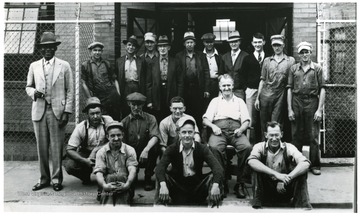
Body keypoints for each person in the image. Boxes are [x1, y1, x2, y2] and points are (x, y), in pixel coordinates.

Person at [26, 32, 74, 192]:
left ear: (55, 48)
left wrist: (67, 111)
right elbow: (28, 86)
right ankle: (44, 178)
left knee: (56, 147)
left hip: (57, 112)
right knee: (42, 147)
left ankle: (56, 180)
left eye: (51, 47)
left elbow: (70, 90)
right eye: (45, 47)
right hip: (39, 110)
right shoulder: (34, 66)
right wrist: (34, 93)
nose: (48, 50)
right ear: (41, 49)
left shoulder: (64, 65)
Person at [203, 74, 252, 198]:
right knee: (214, 147)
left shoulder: (240, 101)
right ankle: (221, 181)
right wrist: (214, 127)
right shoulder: (215, 101)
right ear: (220, 87)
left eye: (228, 85)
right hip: (219, 130)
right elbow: (205, 119)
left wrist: (241, 129)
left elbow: (246, 120)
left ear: (233, 86)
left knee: (246, 147)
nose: (226, 88)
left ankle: (240, 183)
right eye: (224, 85)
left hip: (237, 131)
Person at [155, 117, 223, 206]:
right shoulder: (171, 149)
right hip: (178, 190)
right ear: (179, 134)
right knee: (161, 178)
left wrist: (215, 185)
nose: (187, 135)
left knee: (215, 178)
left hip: (198, 188)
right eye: (184, 132)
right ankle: (159, 208)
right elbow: (159, 168)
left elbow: (218, 168)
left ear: (194, 133)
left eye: (190, 132)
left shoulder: (202, 148)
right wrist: (163, 185)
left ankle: (214, 209)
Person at [247, 121, 312, 209]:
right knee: (255, 168)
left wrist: (286, 179)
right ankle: (257, 207)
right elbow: (251, 161)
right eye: (271, 135)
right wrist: (277, 175)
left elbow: (305, 163)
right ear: (266, 135)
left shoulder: (289, 147)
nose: (274, 138)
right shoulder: (259, 147)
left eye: (277, 135)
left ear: (281, 134)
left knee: (301, 172)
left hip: (285, 190)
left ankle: (303, 207)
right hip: (265, 192)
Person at [287, 42, 326, 176]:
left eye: (307, 52)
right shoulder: (293, 69)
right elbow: (289, 89)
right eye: (302, 52)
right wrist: (290, 109)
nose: (305, 55)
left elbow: (322, 89)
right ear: (299, 54)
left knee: (313, 135)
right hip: (297, 101)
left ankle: (314, 164)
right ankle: (296, 163)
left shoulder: (318, 69)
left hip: (312, 102)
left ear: (311, 52)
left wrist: (319, 109)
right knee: (296, 134)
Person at [64, 97, 113, 185]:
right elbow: (69, 150)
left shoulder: (108, 121)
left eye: (98, 113)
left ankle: (108, 177)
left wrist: (96, 149)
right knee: (70, 166)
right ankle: (85, 176)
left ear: (102, 112)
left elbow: (117, 138)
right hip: (87, 154)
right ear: (87, 114)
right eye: (92, 114)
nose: (95, 116)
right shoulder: (81, 127)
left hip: (106, 152)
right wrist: (84, 161)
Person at [255, 35, 295, 140]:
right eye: (274, 45)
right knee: (264, 124)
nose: (277, 48)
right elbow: (262, 80)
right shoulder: (267, 61)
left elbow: (291, 82)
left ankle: (276, 150)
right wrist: (257, 98)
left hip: (280, 95)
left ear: (283, 45)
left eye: (279, 45)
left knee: (276, 123)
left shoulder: (290, 60)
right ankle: (264, 150)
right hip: (265, 96)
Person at [121, 92, 161, 191]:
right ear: (129, 104)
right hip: (132, 153)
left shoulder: (150, 118)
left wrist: (146, 150)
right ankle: (132, 174)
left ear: (143, 105)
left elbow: (155, 136)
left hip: (146, 154)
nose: (136, 107)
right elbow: (123, 143)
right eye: (133, 104)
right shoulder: (124, 122)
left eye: (138, 104)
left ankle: (148, 177)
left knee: (155, 147)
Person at [94, 121, 138, 205]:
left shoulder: (129, 150)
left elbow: (132, 170)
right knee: (110, 177)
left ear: (123, 135)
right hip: (106, 186)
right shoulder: (101, 152)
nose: (116, 138)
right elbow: (99, 172)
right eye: (112, 136)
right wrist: (104, 185)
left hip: (125, 185)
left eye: (119, 135)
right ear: (107, 137)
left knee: (121, 175)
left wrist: (127, 185)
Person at [175, 31, 210, 129]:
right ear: (184, 44)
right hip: (185, 88)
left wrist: (206, 89)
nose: (189, 44)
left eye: (191, 42)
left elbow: (206, 72)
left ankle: (197, 133)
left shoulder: (201, 56)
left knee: (198, 111)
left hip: (198, 87)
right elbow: (177, 75)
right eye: (187, 42)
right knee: (185, 111)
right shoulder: (179, 56)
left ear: (194, 43)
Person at [146, 35, 183, 122]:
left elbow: (180, 82)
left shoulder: (175, 62)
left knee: (171, 117)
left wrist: (179, 99)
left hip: (171, 92)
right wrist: (149, 100)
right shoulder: (152, 63)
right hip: (157, 93)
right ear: (157, 48)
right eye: (160, 46)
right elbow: (148, 83)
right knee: (158, 117)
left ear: (169, 48)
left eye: (165, 46)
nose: (162, 49)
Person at [81, 42, 121, 121]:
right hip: (98, 96)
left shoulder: (107, 63)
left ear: (102, 52)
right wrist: (90, 98)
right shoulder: (85, 65)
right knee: (100, 118)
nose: (97, 52)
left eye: (99, 50)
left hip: (111, 95)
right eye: (95, 50)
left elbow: (114, 79)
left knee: (115, 118)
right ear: (90, 51)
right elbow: (83, 83)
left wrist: (118, 93)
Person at [242, 32, 267, 145]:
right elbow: (243, 75)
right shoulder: (247, 58)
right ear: (252, 43)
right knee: (251, 119)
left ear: (264, 42)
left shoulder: (269, 57)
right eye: (255, 42)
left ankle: (263, 144)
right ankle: (250, 146)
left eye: (259, 42)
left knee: (264, 118)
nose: (257, 44)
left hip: (266, 91)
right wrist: (246, 88)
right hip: (251, 91)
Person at [115, 35, 146, 118]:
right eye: (129, 45)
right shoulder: (119, 61)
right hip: (125, 87)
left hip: (137, 87)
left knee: (137, 108)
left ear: (135, 48)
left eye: (133, 45)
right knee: (126, 109)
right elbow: (116, 78)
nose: (131, 47)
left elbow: (144, 77)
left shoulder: (141, 61)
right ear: (125, 46)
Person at [222, 30, 249, 100]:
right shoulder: (224, 57)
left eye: (235, 41)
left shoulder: (246, 56)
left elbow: (248, 76)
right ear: (229, 43)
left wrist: (244, 89)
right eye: (231, 42)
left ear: (239, 42)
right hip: (226, 90)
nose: (233, 44)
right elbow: (221, 73)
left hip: (240, 91)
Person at [201, 32, 224, 101]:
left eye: (211, 42)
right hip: (204, 84)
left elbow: (222, 70)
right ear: (203, 43)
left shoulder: (219, 56)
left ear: (214, 42)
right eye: (207, 42)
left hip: (216, 84)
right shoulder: (200, 56)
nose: (209, 44)